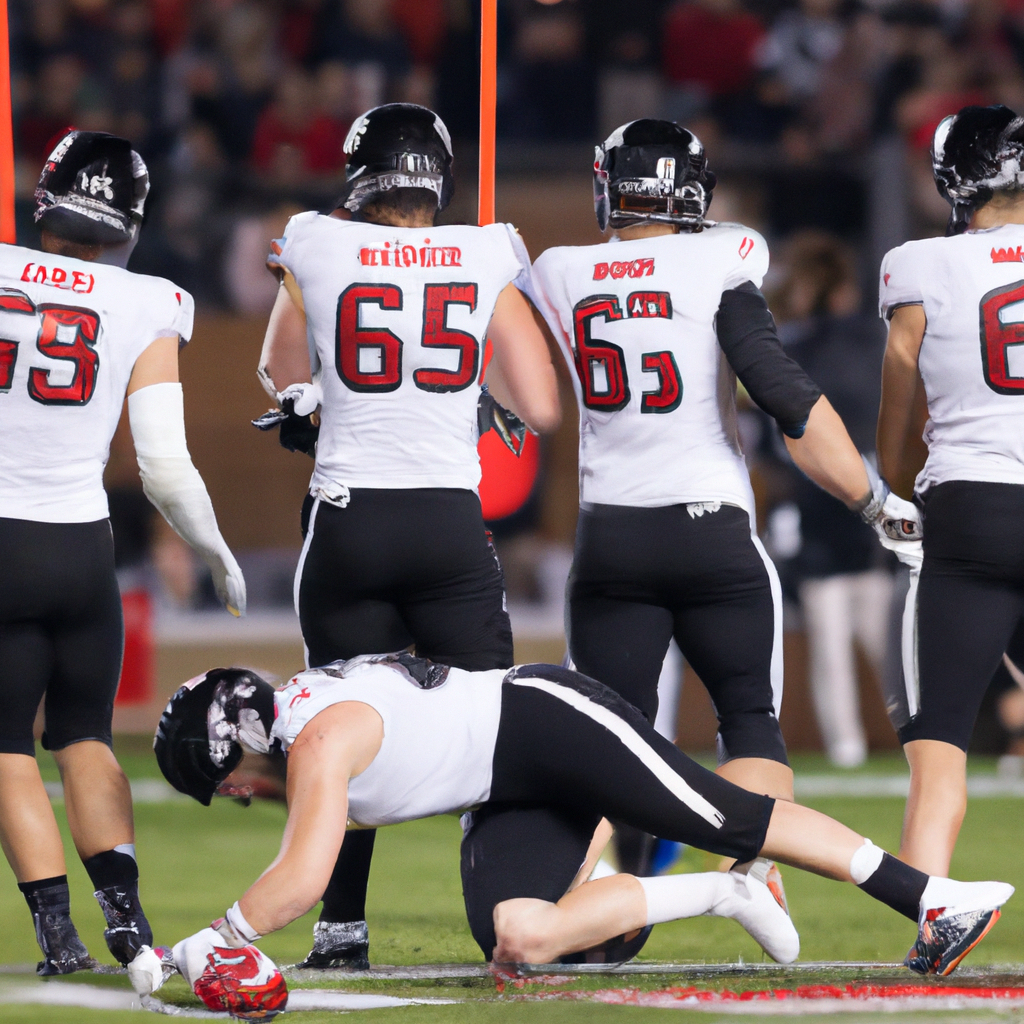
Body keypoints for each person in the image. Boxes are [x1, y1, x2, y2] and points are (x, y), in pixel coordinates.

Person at [132, 655, 1012, 1018]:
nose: (243, 795)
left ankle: (935, 898)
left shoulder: (318, 738)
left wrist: (215, 937)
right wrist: (201, 945)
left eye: (229, 782)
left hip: (551, 723)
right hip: (505, 785)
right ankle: (725, 892)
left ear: (238, 748)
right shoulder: (305, 721)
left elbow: (300, 879)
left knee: (726, 815)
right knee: (519, 939)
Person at [529, 120, 920, 878]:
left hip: (611, 536)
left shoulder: (558, 270)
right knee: (749, 722)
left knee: (609, 737)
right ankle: (751, 884)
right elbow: (787, 399)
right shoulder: (725, 254)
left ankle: (573, 901)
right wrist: (871, 499)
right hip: (711, 530)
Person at [256, 102, 561, 969]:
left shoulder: (314, 241)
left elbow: (282, 370)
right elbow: (540, 406)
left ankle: (340, 928)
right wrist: (472, 391)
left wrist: (308, 405)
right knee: (502, 725)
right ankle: (522, 909)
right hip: (448, 525)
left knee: (338, 729)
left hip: (350, 518)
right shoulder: (483, 248)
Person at [0, 131, 246, 975]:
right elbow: (164, 466)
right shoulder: (148, 301)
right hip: (78, 550)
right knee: (85, 736)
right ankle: (129, 923)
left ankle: (58, 938)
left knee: (4, 746)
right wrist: (212, 546)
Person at [877, 104, 1024, 876]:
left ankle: (930, 916)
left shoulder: (918, 263)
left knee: (941, 750)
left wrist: (892, 490)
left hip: (972, 506)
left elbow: (899, 389)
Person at [773, 232, 893, 769]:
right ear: (844, 289)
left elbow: (777, 440)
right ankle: (918, 735)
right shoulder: (875, 341)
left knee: (831, 641)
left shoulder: (789, 349)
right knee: (886, 639)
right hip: (877, 502)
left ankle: (847, 746)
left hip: (817, 501)